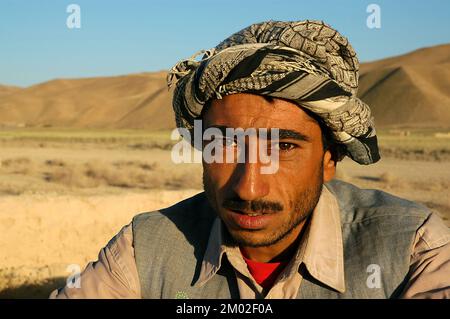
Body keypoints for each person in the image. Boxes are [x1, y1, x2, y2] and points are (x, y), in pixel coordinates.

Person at [50, 20, 450, 299]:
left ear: (330, 158)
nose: (248, 187)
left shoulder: (413, 248)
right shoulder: (145, 248)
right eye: (225, 145)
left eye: (284, 147)